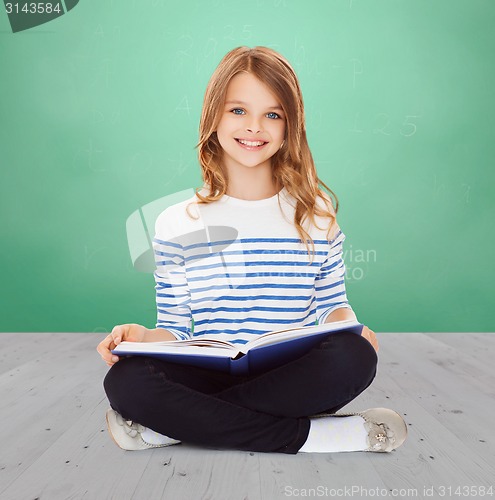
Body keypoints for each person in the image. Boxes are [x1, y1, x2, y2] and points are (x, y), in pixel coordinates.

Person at [97, 46, 407, 454]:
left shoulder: (317, 214)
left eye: (273, 114)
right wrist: (141, 336)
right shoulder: (176, 221)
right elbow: (175, 328)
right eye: (238, 111)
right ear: (214, 117)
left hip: (290, 377)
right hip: (206, 376)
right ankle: (322, 436)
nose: (254, 127)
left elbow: (332, 304)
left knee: (353, 357)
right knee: (125, 381)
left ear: (289, 126)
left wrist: (353, 327)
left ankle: (170, 429)